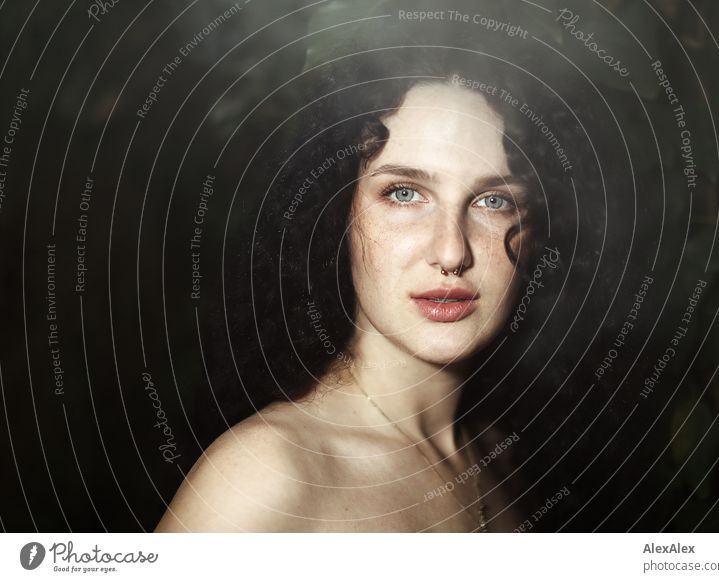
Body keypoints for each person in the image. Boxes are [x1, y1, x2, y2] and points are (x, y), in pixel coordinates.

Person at [155, 42, 576, 532]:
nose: (451, 252)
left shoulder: (502, 458)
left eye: (493, 201)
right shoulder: (267, 477)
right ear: (338, 217)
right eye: (404, 193)